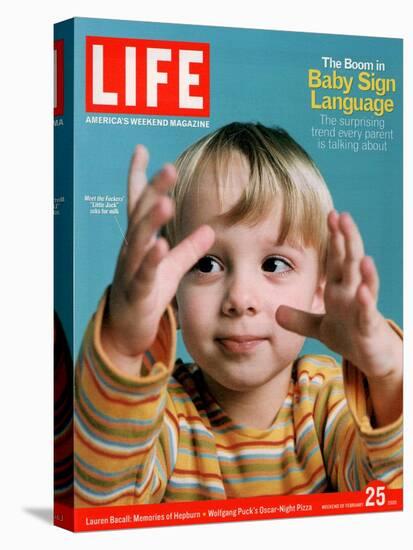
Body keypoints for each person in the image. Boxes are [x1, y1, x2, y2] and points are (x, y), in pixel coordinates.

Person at [74, 122, 402, 506]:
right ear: (173, 297)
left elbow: (386, 495)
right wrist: (123, 345)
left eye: (275, 264)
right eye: (207, 265)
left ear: (319, 290)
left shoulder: (326, 404)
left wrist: (390, 372)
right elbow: (102, 503)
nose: (240, 299)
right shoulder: (165, 419)